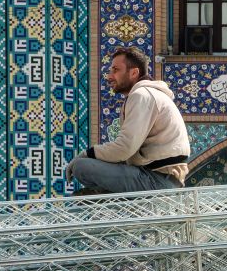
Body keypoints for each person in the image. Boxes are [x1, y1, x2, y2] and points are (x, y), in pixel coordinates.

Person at [66, 46, 190, 194]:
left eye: (116, 70)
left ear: (134, 73)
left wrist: (87, 154)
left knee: (81, 167)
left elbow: (124, 149)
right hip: (159, 178)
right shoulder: (147, 95)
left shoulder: (142, 95)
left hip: (156, 180)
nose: (109, 77)